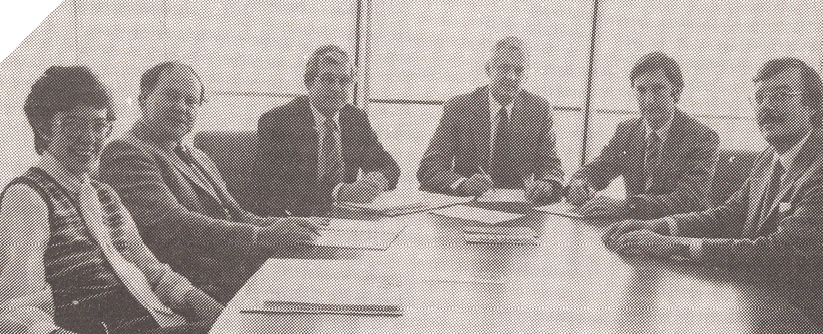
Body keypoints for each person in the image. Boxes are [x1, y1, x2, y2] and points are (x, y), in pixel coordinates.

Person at [602, 58, 823, 333]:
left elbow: (780, 252)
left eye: (780, 95)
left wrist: (673, 245)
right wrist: (659, 226)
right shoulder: (772, 156)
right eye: (759, 98)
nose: (765, 108)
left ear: (810, 107)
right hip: (772, 302)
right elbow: (728, 215)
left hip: (822, 321)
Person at [0, 66, 221, 334]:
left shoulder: (104, 195)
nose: (90, 138)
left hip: (153, 321)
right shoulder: (26, 198)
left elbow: (151, 270)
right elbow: (14, 309)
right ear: (45, 128)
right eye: (73, 125)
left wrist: (200, 302)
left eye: (99, 125)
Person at [96, 62, 326, 304]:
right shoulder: (126, 151)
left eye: (190, 101)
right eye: (172, 96)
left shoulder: (198, 155)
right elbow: (173, 225)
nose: (181, 108)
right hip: (194, 290)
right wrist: (263, 236)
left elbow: (236, 215)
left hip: (235, 275)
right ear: (143, 100)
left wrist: (288, 225)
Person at [251, 45, 400, 217]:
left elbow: (389, 166)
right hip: (296, 223)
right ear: (309, 83)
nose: (337, 88)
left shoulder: (355, 119)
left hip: (347, 222)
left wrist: (377, 181)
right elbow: (268, 190)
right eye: (328, 80)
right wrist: (338, 192)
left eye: (344, 81)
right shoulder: (279, 121)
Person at [567, 52, 719, 220]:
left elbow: (688, 200)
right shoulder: (626, 130)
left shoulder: (703, 137)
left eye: (658, 89)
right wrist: (580, 184)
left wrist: (626, 207)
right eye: (641, 90)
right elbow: (598, 169)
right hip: (635, 232)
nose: (649, 101)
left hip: (679, 234)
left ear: (676, 93)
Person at [417, 37, 564, 204]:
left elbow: (552, 167)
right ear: (488, 69)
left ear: (527, 75)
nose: (511, 77)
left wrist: (547, 184)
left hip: (521, 209)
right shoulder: (459, 107)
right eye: (503, 68)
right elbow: (429, 168)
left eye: (519, 70)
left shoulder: (539, 109)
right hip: (468, 206)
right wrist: (463, 184)